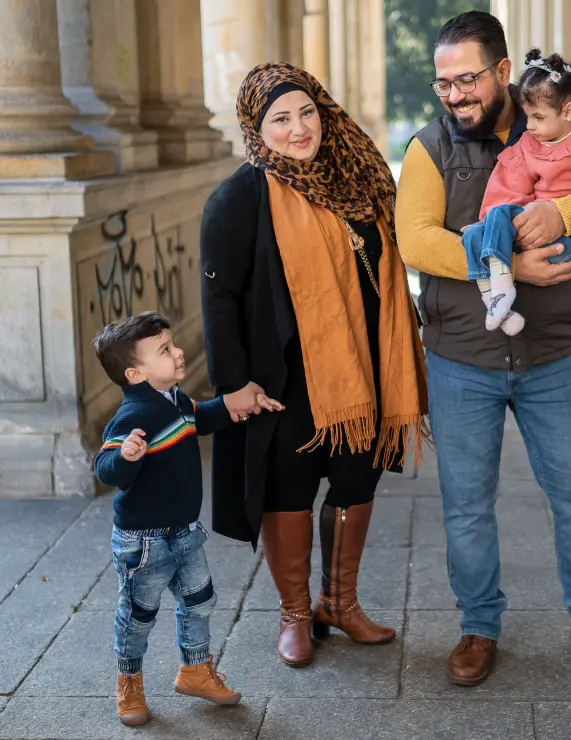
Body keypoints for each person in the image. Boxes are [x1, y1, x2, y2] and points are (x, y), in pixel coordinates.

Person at [396, 10, 571, 687]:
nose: (454, 94)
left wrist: (566, 212)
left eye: (467, 79)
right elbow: (416, 240)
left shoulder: (561, 125)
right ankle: (478, 627)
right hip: (463, 359)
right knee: (466, 504)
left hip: (553, 355)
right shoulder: (429, 148)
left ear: (505, 73)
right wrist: (509, 253)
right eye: (442, 83)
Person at [200, 63, 427, 669]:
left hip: (364, 368)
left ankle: (340, 603)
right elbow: (218, 298)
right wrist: (233, 385)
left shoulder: (358, 176)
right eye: (280, 118)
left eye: (306, 112)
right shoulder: (240, 198)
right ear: (256, 125)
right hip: (285, 381)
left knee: (357, 481)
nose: (299, 128)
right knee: (290, 490)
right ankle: (296, 613)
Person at [93, 312, 253, 726]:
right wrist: (124, 456)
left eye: (172, 343)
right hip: (144, 543)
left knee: (200, 600)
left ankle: (195, 670)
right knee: (138, 614)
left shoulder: (174, 399)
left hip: (183, 532)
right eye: (165, 349)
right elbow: (105, 467)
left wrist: (232, 404)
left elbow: (199, 416)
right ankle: (129, 682)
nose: (178, 352)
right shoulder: (133, 416)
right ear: (134, 372)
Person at [463, 48, 571, 334]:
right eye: (528, 117)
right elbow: (509, 186)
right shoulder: (529, 145)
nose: (530, 126)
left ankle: (502, 289)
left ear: (568, 111)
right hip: (533, 230)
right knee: (476, 235)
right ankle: (498, 300)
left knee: (499, 237)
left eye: (538, 117)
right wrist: (493, 225)